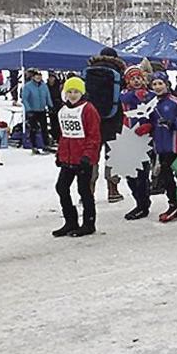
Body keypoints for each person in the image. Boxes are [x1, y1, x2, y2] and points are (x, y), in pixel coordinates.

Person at [52, 77, 101, 237]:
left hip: (83, 159)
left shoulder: (88, 109)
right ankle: (70, 221)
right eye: (70, 92)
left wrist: (88, 156)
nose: (73, 95)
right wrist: (60, 154)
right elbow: (64, 135)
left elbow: (94, 136)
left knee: (84, 190)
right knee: (61, 187)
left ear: (82, 92)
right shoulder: (63, 110)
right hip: (68, 158)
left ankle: (88, 223)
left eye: (76, 92)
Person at [85, 47, 127, 203]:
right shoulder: (118, 72)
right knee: (113, 155)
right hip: (113, 119)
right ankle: (113, 190)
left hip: (92, 120)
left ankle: (89, 190)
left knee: (92, 155)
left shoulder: (89, 71)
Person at [149, 72, 177, 222]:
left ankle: (174, 204)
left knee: (168, 175)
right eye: (154, 84)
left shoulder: (174, 101)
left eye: (160, 83)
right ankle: (175, 204)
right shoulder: (152, 104)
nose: (157, 87)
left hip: (174, 145)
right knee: (165, 176)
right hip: (160, 145)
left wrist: (174, 124)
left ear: (166, 84)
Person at [120, 64, 156, 220]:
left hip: (144, 139)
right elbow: (125, 98)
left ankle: (143, 204)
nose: (136, 81)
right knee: (129, 173)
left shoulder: (150, 95)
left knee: (141, 173)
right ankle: (139, 200)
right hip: (128, 136)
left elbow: (155, 115)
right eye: (133, 78)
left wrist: (149, 126)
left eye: (138, 78)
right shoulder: (125, 94)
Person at [22, 68, 53, 154]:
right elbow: (25, 99)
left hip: (42, 110)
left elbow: (47, 96)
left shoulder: (44, 86)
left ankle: (46, 145)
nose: (38, 77)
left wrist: (50, 106)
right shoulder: (28, 86)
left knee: (44, 128)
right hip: (33, 110)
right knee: (33, 128)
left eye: (40, 76)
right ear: (33, 77)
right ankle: (34, 146)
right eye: (36, 76)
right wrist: (28, 110)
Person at [47, 73, 63, 143]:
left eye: (52, 77)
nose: (51, 79)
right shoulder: (46, 85)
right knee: (53, 122)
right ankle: (54, 136)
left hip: (58, 105)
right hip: (50, 105)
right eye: (50, 77)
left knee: (58, 122)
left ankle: (59, 136)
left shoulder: (58, 85)